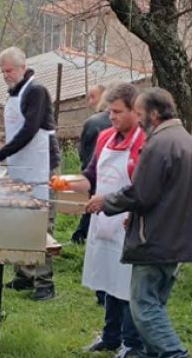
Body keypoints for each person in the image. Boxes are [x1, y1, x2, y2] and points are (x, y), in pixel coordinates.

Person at [86, 87, 192, 358]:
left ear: (153, 114)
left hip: (156, 236)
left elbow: (142, 192)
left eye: (138, 115)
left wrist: (106, 202)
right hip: (178, 234)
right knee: (156, 301)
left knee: (143, 305)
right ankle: (154, 357)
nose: (137, 122)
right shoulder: (188, 143)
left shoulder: (158, 145)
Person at [51, 82, 145, 358]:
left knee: (125, 283)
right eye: (110, 111)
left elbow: (142, 186)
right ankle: (110, 336)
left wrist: (132, 212)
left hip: (127, 221)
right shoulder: (105, 137)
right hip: (102, 221)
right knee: (107, 278)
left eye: (118, 112)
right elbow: (91, 176)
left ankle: (131, 343)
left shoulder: (144, 141)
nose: (112, 117)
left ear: (135, 112)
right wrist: (65, 183)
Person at [0, 46, 61, 301]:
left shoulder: (36, 91)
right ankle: (24, 275)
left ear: (23, 66)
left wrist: (1, 153)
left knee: (40, 222)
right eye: (3, 70)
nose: (6, 74)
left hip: (41, 164)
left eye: (10, 70)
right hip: (21, 164)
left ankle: (45, 283)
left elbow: (29, 131)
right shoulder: (15, 92)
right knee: (19, 217)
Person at [71, 84, 111, 246]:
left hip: (94, 173)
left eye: (93, 97)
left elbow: (85, 152)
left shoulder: (94, 122)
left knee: (92, 204)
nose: (90, 102)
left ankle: (81, 235)